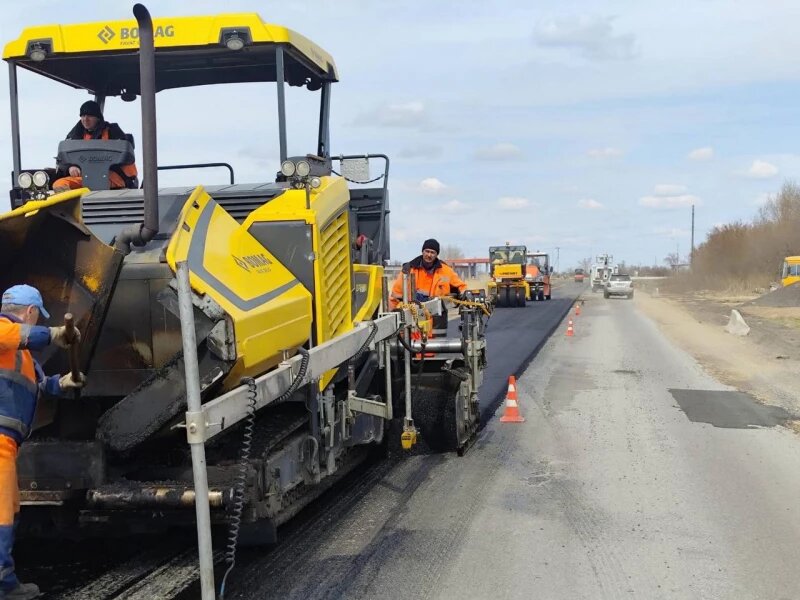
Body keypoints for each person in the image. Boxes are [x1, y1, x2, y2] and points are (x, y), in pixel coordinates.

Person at [0, 285, 85, 600]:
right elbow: (28, 336)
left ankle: (6, 582)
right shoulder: (4, 332)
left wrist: (64, 382)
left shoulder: (21, 356)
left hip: (7, 444)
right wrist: (56, 334)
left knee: (9, 508)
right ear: (30, 311)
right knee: (1, 513)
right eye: (36, 318)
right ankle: (3, 586)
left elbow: (41, 385)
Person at [52, 100, 138, 193]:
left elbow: (126, 155)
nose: (85, 119)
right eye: (83, 116)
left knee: (98, 184)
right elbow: (62, 159)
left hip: (111, 176)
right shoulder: (73, 137)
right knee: (59, 184)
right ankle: (73, 206)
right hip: (85, 177)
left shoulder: (113, 131)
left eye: (90, 116)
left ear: (98, 117)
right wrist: (70, 167)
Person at [389, 239, 468, 334]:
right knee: (415, 346)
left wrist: (465, 295)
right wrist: (390, 319)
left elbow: (461, 286)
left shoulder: (446, 270)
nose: (429, 255)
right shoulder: (409, 270)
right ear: (422, 251)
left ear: (436, 254)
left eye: (432, 252)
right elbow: (395, 295)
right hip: (413, 317)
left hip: (438, 317)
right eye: (427, 251)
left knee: (438, 346)